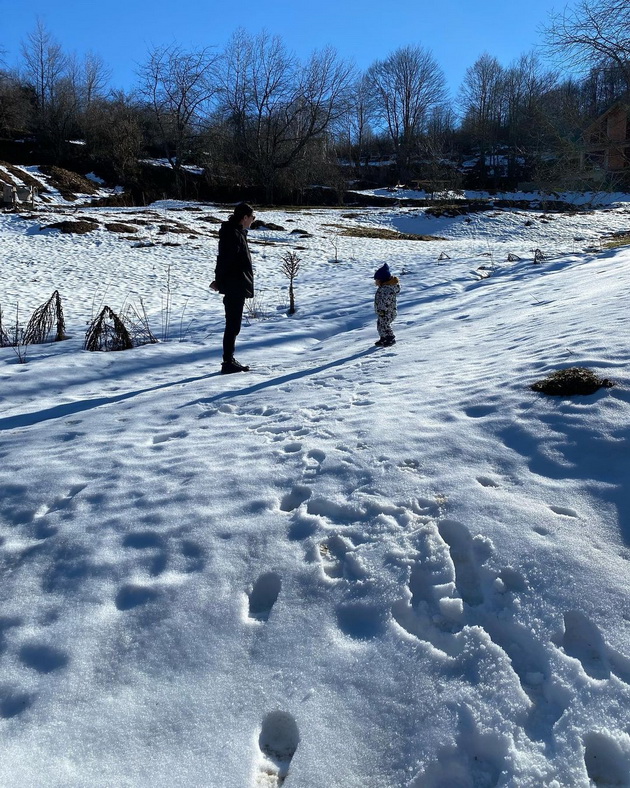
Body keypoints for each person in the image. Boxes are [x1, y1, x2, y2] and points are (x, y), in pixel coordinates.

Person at [210, 203, 255, 374]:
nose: (253, 220)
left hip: (236, 284)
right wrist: (219, 281)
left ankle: (229, 360)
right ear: (244, 217)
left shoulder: (237, 233)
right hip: (234, 285)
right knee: (232, 325)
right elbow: (224, 261)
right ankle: (227, 362)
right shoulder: (232, 234)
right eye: (252, 217)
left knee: (234, 325)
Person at [373, 263, 400, 347]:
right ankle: (383, 338)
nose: (375, 282)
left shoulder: (387, 290)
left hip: (387, 312)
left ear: (382, 280)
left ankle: (390, 338)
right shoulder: (383, 288)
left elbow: (385, 301)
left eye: (377, 280)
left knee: (385, 325)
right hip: (382, 312)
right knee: (380, 325)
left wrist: (382, 310)